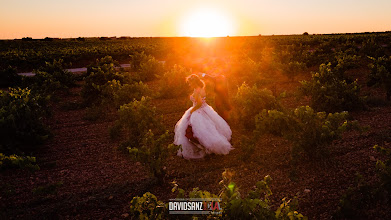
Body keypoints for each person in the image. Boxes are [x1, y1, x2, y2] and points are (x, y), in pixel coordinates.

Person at [174, 74, 233, 159]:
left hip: (198, 110)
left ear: (194, 83)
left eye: (190, 83)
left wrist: (191, 111)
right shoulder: (200, 89)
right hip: (205, 109)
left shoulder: (197, 91)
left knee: (198, 129)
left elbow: (199, 104)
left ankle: (205, 146)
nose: (189, 84)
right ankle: (203, 146)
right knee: (208, 128)